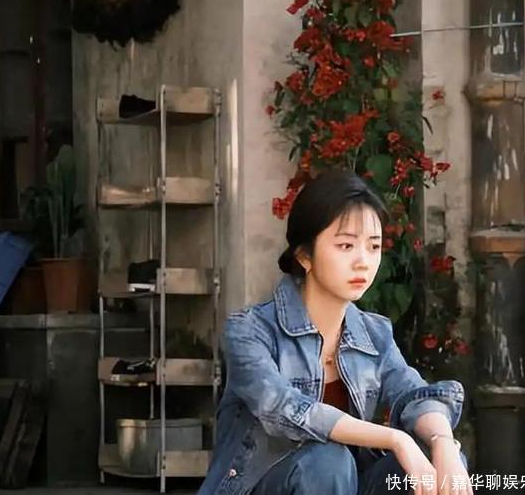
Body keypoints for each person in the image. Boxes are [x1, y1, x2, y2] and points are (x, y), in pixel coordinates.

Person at [197, 170, 471, 495]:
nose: (363, 261)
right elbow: (283, 408)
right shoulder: (250, 330)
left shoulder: (374, 334)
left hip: (346, 485)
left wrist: (442, 442)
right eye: (345, 245)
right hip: (264, 487)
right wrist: (395, 439)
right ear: (304, 256)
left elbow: (413, 394)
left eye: (373, 246)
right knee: (327, 461)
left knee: (437, 459)